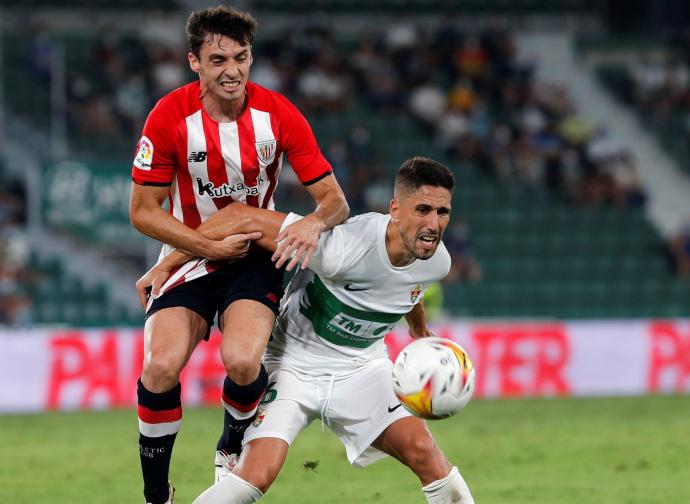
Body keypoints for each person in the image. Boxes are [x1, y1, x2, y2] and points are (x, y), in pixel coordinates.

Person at [138, 157, 476, 504]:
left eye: (443, 212)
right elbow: (239, 216)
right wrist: (167, 265)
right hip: (293, 364)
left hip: (362, 369)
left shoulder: (438, 261)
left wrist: (419, 331)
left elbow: (409, 287)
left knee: (427, 455)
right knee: (256, 476)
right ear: (395, 209)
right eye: (423, 209)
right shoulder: (342, 248)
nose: (434, 224)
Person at [129, 6, 349, 504]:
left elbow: (335, 201)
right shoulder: (168, 116)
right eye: (218, 58)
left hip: (253, 257)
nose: (232, 69)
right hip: (189, 253)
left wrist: (314, 221)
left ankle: (230, 445)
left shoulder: (278, 114)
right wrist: (198, 247)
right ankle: (156, 494)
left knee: (244, 361)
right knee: (160, 367)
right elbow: (142, 211)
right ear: (194, 62)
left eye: (242, 57)